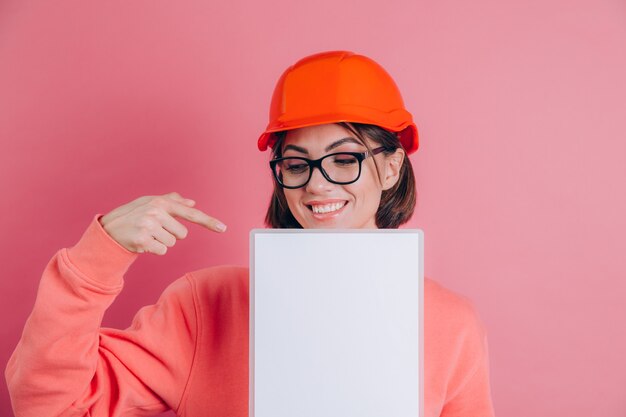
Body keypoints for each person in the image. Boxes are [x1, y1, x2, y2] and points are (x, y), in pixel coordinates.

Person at [5, 50, 495, 417]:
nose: (317, 183)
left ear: (391, 167)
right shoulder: (207, 305)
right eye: (296, 163)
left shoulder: (450, 324)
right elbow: (52, 406)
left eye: (345, 159)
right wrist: (99, 255)